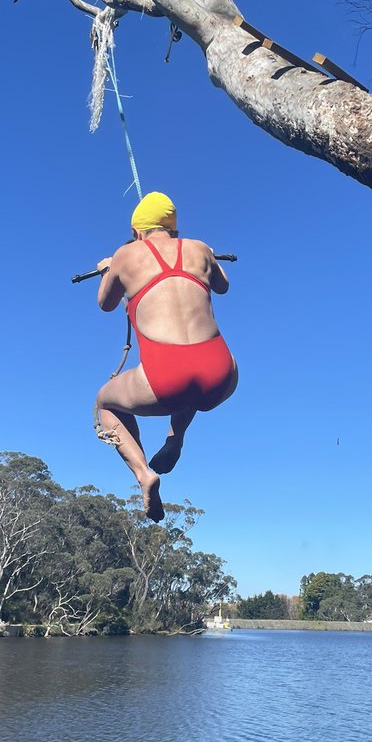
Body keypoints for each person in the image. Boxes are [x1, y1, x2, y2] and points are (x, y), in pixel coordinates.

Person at [95, 192, 238, 522]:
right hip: (222, 372)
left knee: (105, 403)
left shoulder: (125, 255)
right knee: (191, 388)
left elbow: (105, 303)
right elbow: (223, 286)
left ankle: (144, 475)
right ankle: (176, 439)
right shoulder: (200, 248)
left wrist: (107, 269)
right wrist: (208, 259)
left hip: (165, 376)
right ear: (173, 228)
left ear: (137, 232)